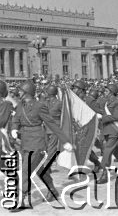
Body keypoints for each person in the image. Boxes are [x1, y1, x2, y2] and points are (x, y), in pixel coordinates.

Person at [10, 81, 73, 210]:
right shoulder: (20, 106)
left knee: (25, 170)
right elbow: (16, 119)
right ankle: (52, 189)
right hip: (25, 141)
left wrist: (65, 140)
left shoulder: (40, 106)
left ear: (27, 92)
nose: (19, 92)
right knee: (40, 170)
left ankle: (22, 199)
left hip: (37, 141)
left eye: (21, 91)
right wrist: (14, 128)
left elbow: (51, 123)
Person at [96, 84, 118, 184]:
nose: (104, 92)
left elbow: (115, 116)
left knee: (107, 151)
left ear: (112, 92)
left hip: (114, 130)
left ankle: (104, 173)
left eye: (106, 91)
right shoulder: (106, 102)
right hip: (107, 129)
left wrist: (101, 118)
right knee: (115, 151)